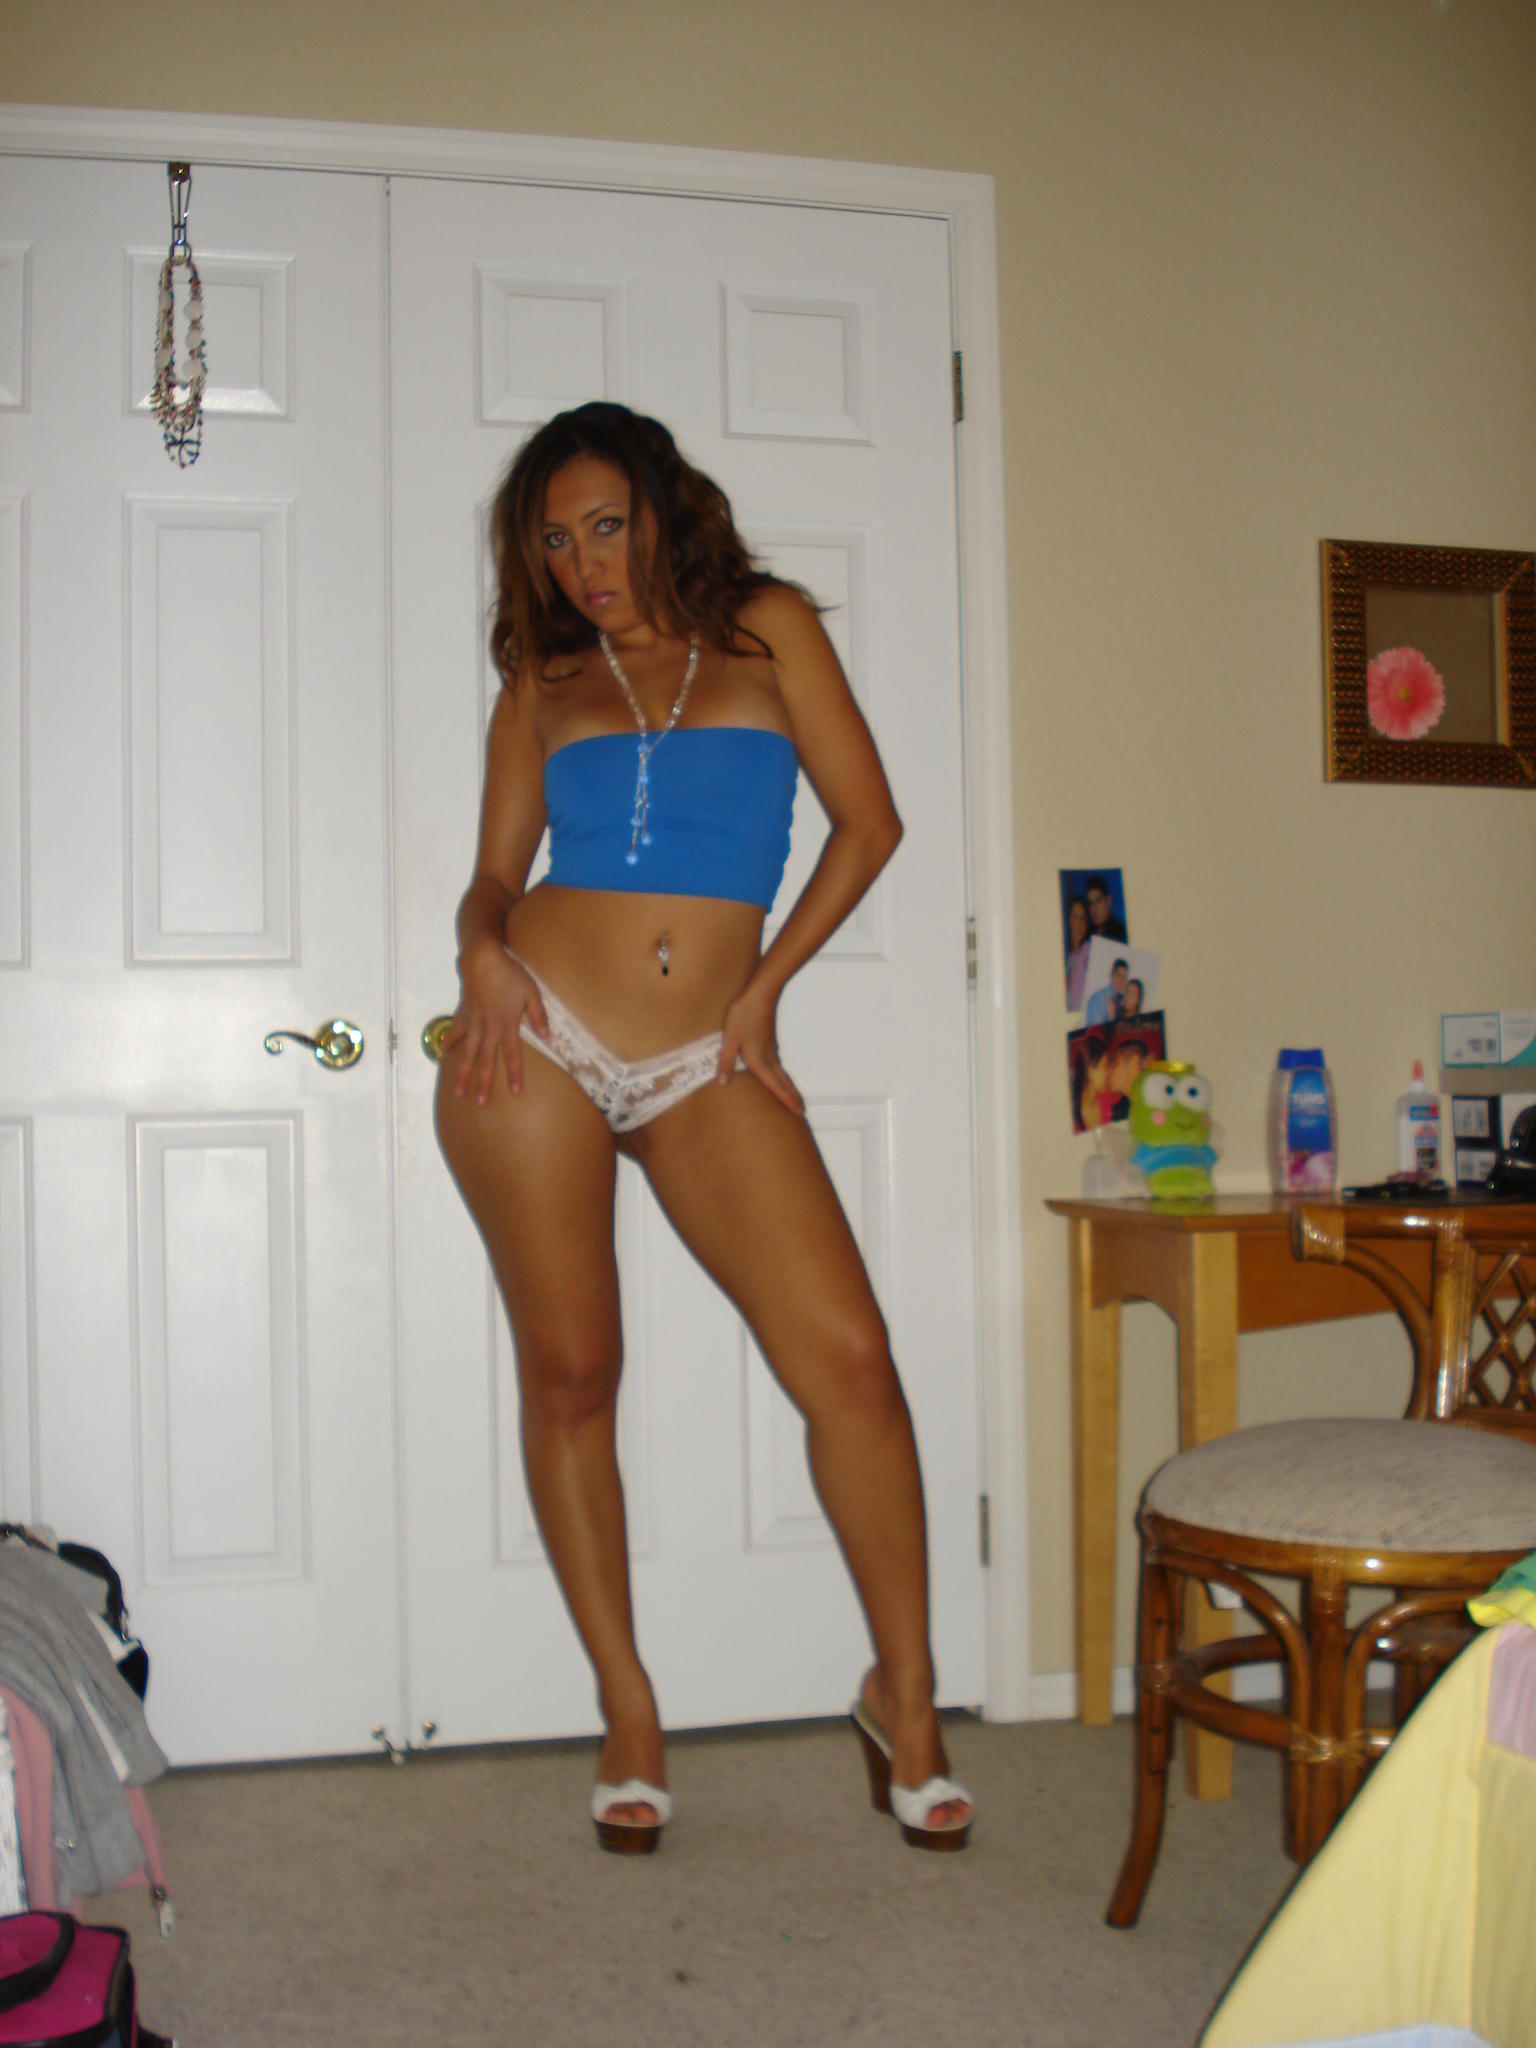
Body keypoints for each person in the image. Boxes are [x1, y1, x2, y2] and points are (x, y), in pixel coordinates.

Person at [434, 401, 972, 1857]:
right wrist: (481, 953)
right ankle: (628, 1705)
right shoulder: (543, 678)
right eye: (556, 541)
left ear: (664, 509)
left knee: (850, 1361)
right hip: (535, 1034)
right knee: (573, 1372)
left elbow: (870, 823)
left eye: (606, 525)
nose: (585, 564)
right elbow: (492, 881)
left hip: (708, 1053)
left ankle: (905, 1695)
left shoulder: (768, 628)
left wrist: (765, 992)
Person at [1063, 893, 1091, 1009]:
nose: (1079, 924)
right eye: (1075, 917)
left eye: (1082, 918)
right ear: (1070, 920)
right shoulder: (1069, 956)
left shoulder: (1087, 949)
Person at [1084, 957, 1129, 1025]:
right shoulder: (1099, 998)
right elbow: (1096, 1028)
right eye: (1118, 975)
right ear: (1111, 975)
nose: (1121, 980)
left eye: (1124, 978)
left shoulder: (1121, 1000)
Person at [1085, 875, 1127, 945]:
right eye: (1090, 903)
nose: (1094, 909)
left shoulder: (1120, 934)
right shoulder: (1087, 934)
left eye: (1098, 901)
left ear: (1108, 901)